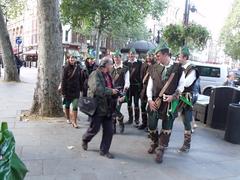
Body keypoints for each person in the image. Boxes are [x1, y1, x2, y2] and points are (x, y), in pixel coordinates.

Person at [146, 42, 185, 163]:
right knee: (151, 125)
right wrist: (149, 99)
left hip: (170, 102)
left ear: (165, 54)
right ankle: (154, 142)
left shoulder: (178, 69)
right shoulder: (154, 67)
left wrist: (173, 96)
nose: (156, 58)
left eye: (158, 56)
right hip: (155, 101)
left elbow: (181, 86)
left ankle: (161, 149)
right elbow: (149, 85)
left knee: (167, 127)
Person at [82, 57, 119, 159]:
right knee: (94, 128)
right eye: (111, 64)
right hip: (98, 107)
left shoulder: (108, 75)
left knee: (109, 130)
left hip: (108, 107)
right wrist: (111, 91)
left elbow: (109, 88)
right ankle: (85, 139)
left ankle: (104, 150)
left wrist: (116, 93)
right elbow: (97, 89)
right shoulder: (95, 74)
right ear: (106, 65)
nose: (112, 66)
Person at [178, 47, 199, 152]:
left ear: (185, 57)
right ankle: (164, 141)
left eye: (179, 56)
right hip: (177, 96)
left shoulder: (192, 69)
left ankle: (187, 144)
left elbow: (186, 83)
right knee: (169, 116)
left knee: (186, 120)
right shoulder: (179, 67)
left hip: (186, 97)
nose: (178, 58)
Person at [61, 54, 83, 128]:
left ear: (75, 59)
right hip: (67, 90)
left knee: (75, 106)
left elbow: (81, 79)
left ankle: (74, 122)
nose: (72, 60)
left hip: (76, 90)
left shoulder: (79, 68)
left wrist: (81, 89)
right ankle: (68, 118)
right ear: (68, 59)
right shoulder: (66, 68)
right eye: (71, 58)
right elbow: (63, 80)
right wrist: (63, 92)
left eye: (73, 58)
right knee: (67, 105)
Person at [110, 50, 130, 134]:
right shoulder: (110, 67)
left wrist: (124, 94)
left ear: (120, 58)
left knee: (116, 108)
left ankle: (120, 121)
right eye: (114, 57)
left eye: (117, 57)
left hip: (120, 92)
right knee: (111, 109)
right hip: (110, 91)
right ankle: (113, 126)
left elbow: (127, 82)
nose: (116, 59)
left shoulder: (125, 68)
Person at [123, 48, 142, 126]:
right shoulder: (125, 63)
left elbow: (141, 75)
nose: (132, 55)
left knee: (136, 103)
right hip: (128, 87)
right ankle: (130, 119)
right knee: (129, 103)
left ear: (135, 55)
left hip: (136, 86)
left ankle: (137, 119)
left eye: (133, 54)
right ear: (128, 55)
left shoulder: (139, 63)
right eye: (130, 54)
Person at [138, 49, 155, 130]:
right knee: (142, 106)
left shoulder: (155, 65)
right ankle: (144, 123)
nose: (149, 57)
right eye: (148, 55)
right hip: (144, 88)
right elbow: (141, 77)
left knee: (150, 108)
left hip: (152, 89)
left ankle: (150, 125)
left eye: (150, 55)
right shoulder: (144, 65)